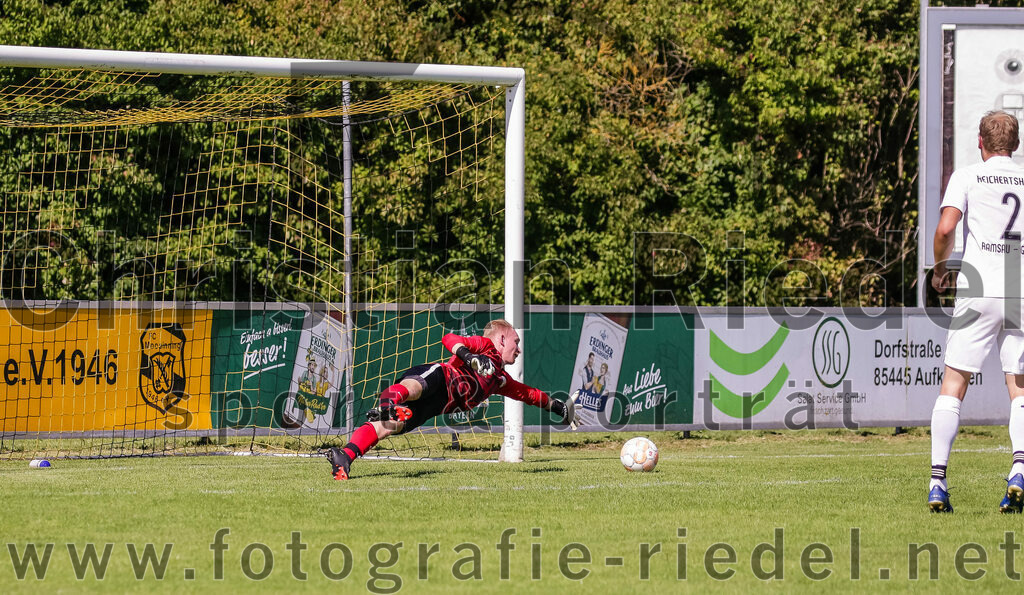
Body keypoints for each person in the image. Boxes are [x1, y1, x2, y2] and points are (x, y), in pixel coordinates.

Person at [327, 319, 581, 480]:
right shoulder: (485, 347)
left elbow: (528, 394)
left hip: (437, 405)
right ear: (502, 338)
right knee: (415, 388)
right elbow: (450, 339)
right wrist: (470, 356)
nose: (519, 348)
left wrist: (560, 407)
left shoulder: (500, 379)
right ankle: (386, 406)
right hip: (440, 376)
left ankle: (344, 456)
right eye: (516, 341)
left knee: (389, 427)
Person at [930, 110, 1024, 513]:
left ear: (980, 143)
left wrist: (939, 270)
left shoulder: (967, 175)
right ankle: (1019, 469)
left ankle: (937, 483)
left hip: (979, 284)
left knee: (954, 383)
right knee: (1018, 386)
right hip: (1019, 285)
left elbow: (946, 229)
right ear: (1015, 145)